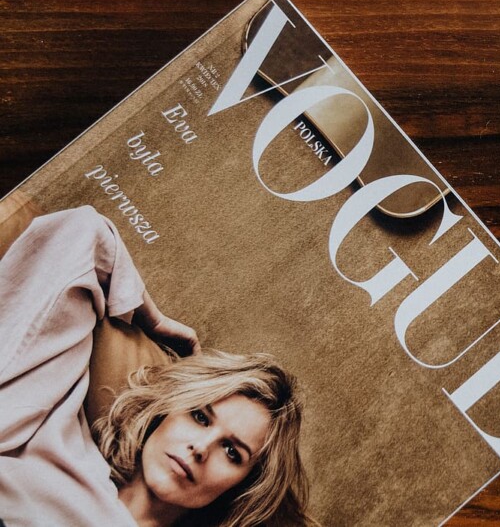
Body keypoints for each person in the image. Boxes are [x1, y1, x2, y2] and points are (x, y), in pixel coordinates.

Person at [0, 205, 312, 526]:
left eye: (233, 452)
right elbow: (84, 234)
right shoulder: (56, 434)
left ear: (242, 487)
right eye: (200, 416)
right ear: (168, 408)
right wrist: (151, 319)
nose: (201, 448)